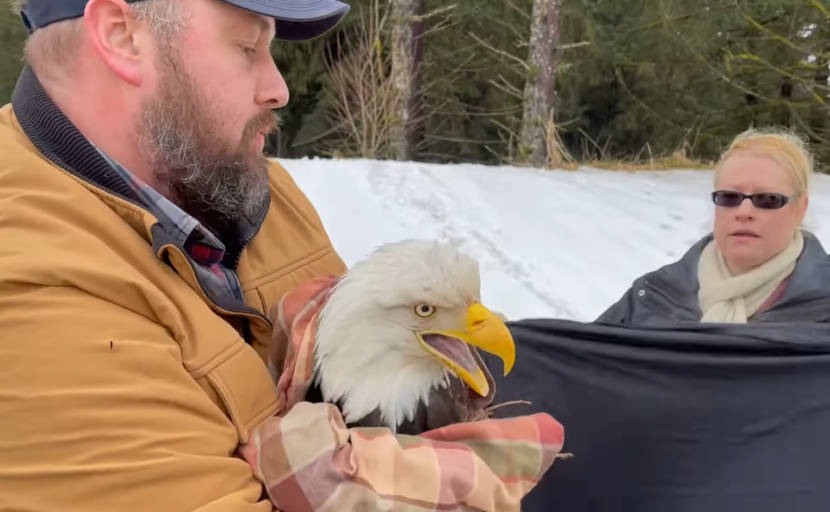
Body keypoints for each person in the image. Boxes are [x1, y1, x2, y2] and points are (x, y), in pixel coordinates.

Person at [0, 1, 561, 511]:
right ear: (122, 36)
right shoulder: (33, 288)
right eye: (248, 47)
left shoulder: (246, 185)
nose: (279, 88)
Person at [597, 128, 830, 326]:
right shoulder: (652, 298)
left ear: (801, 208)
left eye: (767, 200)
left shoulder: (823, 307)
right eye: (729, 197)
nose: (744, 212)